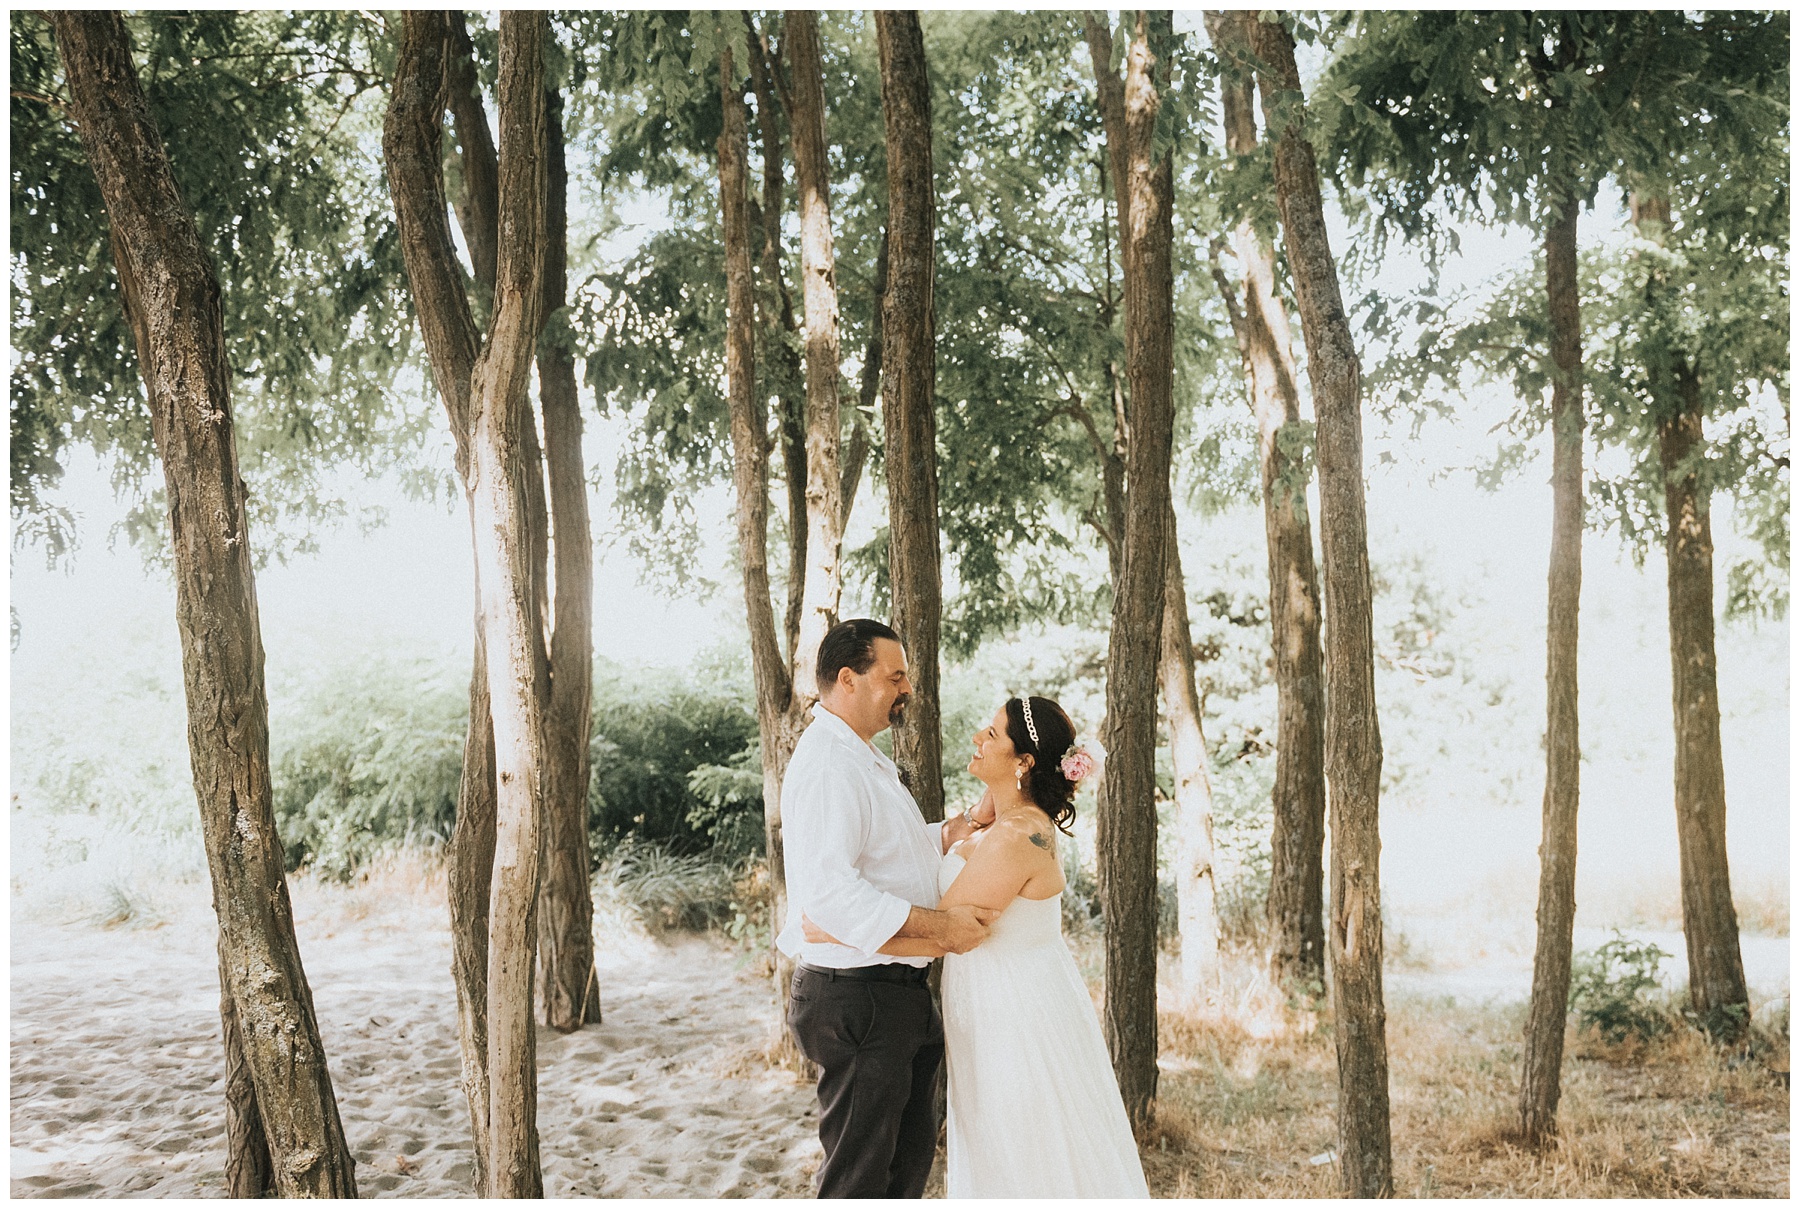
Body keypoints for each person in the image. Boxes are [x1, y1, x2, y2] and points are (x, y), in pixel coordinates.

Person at [804, 694, 1149, 1198]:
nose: (977, 739)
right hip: (989, 1005)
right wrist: (983, 809)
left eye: (992, 734)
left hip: (1014, 1012)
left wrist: (830, 926)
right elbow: (946, 860)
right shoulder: (1003, 825)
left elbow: (947, 930)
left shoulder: (1017, 836)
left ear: (1024, 762)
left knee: (1020, 1144)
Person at [777, 618, 997, 1199]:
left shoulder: (859, 757)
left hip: (891, 995)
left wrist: (961, 828)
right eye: (894, 677)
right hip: (858, 998)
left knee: (901, 1171)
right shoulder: (829, 764)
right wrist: (943, 928)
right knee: (859, 1180)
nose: (906, 690)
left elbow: (890, 855)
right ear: (848, 678)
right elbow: (831, 896)